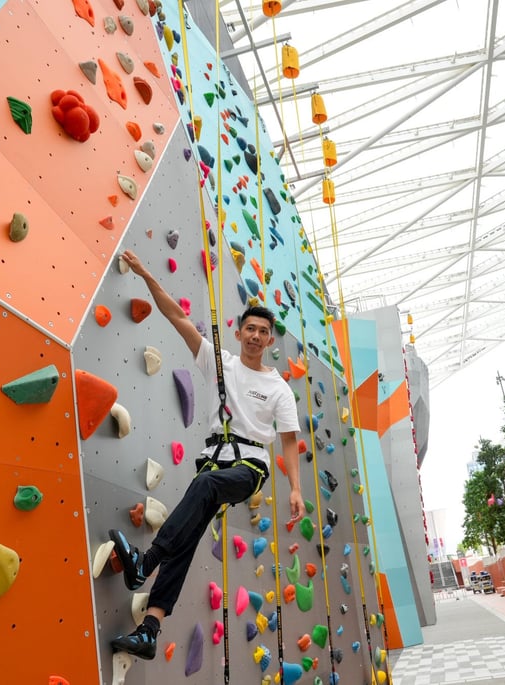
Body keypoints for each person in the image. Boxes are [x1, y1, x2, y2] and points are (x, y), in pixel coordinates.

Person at [107, 249, 304, 660]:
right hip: (213, 460)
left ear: (270, 339)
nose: (254, 336)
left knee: (209, 484)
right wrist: (144, 270)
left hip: (248, 468)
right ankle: (150, 629)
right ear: (238, 333)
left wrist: (295, 490)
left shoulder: (279, 388)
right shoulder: (222, 363)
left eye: (262, 332)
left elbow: (287, 439)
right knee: (189, 536)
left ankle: (146, 561)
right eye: (249, 328)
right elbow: (175, 316)